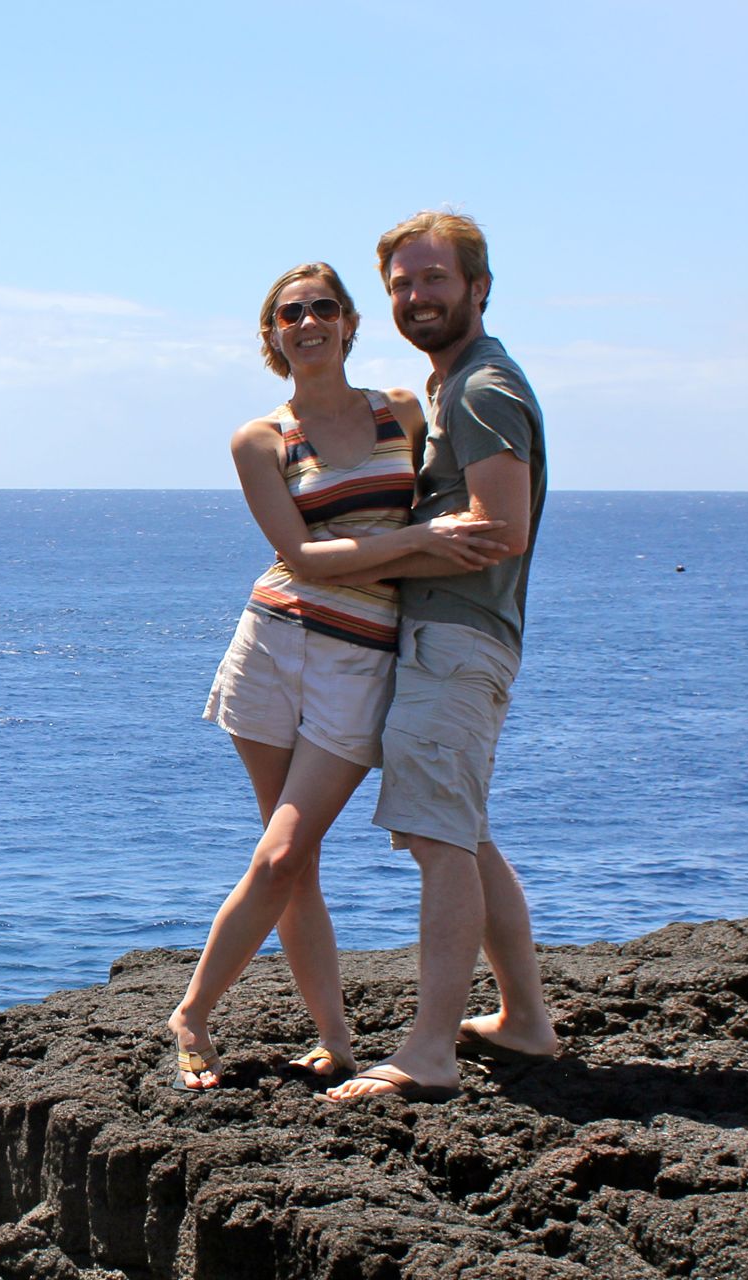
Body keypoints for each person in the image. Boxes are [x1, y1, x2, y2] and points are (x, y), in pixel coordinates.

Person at [168, 261, 508, 1090]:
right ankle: (337, 1038)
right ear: (272, 335)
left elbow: (461, 492)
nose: (308, 321)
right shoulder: (260, 438)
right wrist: (417, 547)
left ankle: (190, 1012)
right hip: (272, 643)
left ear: (351, 324)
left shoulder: (400, 411)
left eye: (324, 308)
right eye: (290, 313)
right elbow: (303, 557)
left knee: (284, 852)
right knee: (294, 862)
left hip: (361, 660)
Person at [322, 211, 561, 1105]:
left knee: (436, 838)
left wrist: (375, 551)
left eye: (435, 280)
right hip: (456, 635)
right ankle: (526, 1021)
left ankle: (428, 1051)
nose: (417, 298)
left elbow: (502, 528)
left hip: (456, 640)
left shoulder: (480, 389)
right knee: (464, 831)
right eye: (401, 285)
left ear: (479, 288)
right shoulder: (457, 383)